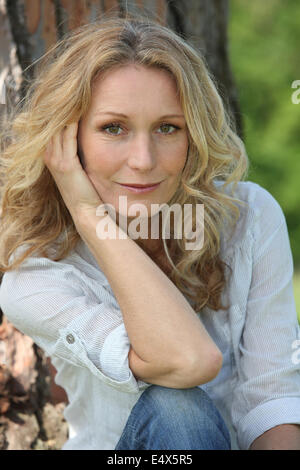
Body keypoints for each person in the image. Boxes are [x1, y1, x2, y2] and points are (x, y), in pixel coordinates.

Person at [0, 12, 299, 451]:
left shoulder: (249, 216)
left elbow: (272, 400)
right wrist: (88, 215)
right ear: (67, 139)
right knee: (177, 408)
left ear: (192, 136)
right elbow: (186, 362)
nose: (143, 159)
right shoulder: (36, 276)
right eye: (113, 128)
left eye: (167, 128)